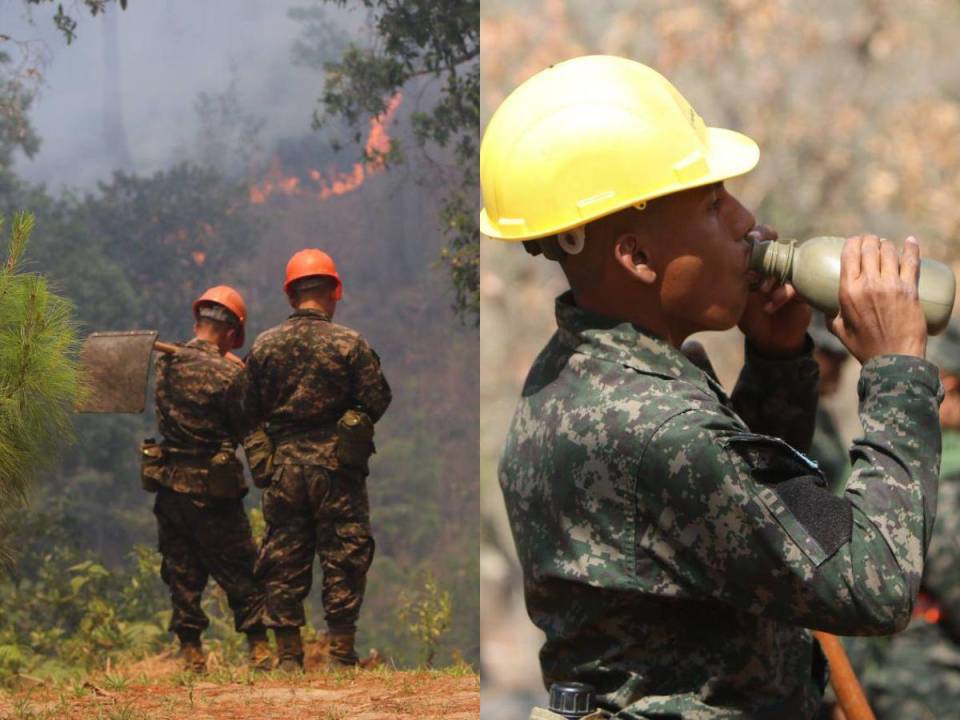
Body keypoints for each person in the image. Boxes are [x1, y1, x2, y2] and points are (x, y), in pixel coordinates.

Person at [482, 55, 942, 718]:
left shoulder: (585, 377)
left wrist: (778, 360)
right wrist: (898, 374)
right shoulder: (658, 429)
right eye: (711, 204)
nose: (746, 221)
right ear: (637, 257)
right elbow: (874, 583)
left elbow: (762, 525)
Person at [239, 249, 392, 671]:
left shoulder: (265, 346)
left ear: (291, 296)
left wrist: (264, 461)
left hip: (284, 469)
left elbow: (245, 412)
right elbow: (377, 400)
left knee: (283, 556)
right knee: (344, 554)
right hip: (337, 469)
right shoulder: (349, 343)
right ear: (335, 291)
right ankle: (342, 656)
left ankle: (289, 658)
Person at [149, 285, 269, 673]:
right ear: (233, 333)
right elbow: (246, 423)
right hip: (214, 490)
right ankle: (259, 649)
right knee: (240, 565)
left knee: (181, 569)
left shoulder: (167, 364)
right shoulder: (231, 375)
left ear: (198, 322)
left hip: (170, 485)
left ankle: (191, 653)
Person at [865, 318, 960, 719]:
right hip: (930, 682)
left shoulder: (878, 460)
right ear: (950, 390)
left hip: (883, 674)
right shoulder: (947, 473)